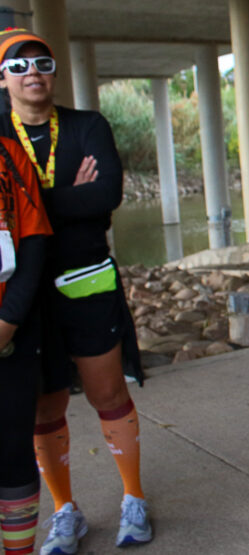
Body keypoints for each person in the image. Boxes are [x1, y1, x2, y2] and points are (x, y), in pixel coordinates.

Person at [0, 28, 151, 554]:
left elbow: (106, 195)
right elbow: (79, 201)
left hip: (86, 280)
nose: (32, 73)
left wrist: (29, 202)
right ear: (2, 78)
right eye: (18, 66)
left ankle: (133, 496)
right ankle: (66, 510)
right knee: (44, 408)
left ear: (55, 72)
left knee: (108, 394)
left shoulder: (88, 125)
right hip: (24, 294)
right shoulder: (0, 132)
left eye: (42, 63)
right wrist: (69, 196)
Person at [0, 125, 53, 554]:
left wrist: (7, 322)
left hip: (10, 335)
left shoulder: (10, 156)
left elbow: (33, 244)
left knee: (13, 453)